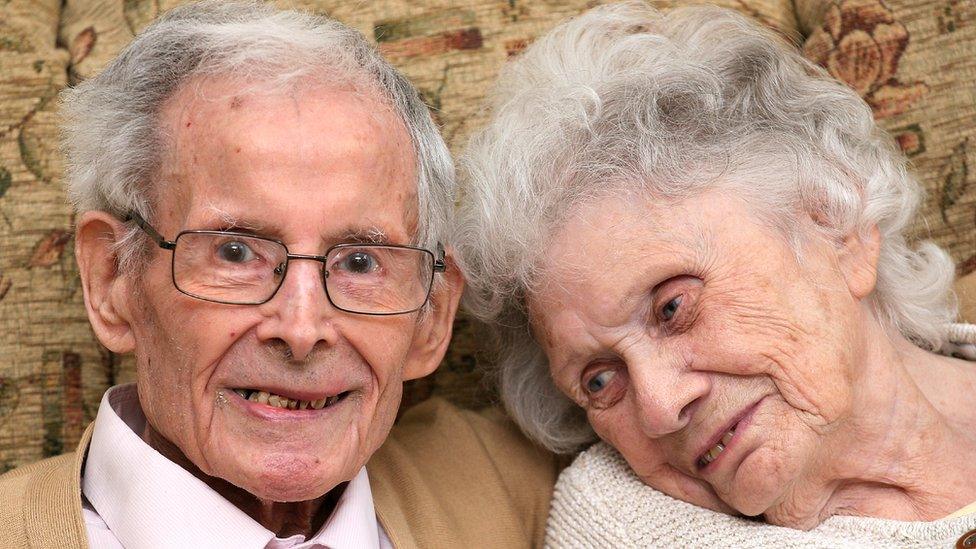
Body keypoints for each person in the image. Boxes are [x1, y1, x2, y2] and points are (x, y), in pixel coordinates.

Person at [0, 2, 559, 547]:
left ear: (433, 315)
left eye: (359, 262)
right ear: (112, 277)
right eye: (236, 253)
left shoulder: (524, 492)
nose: (301, 328)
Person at [457, 2, 976, 546]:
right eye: (601, 380)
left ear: (836, 223)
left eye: (672, 307)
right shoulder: (626, 528)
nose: (659, 407)